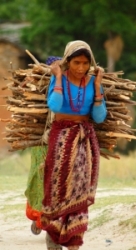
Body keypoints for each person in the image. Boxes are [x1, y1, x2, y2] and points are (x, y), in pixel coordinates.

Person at [41, 40, 107, 250]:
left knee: (79, 187)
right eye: (76, 62)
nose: (81, 68)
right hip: (60, 137)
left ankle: (74, 242)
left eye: (85, 63)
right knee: (57, 187)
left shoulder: (94, 82)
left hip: (84, 140)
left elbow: (98, 117)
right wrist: (59, 77)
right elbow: (54, 105)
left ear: (90, 63)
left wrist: (97, 88)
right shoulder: (58, 78)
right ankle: (53, 235)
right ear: (67, 61)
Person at [25, 56, 62, 235]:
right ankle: (39, 217)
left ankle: (49, 221)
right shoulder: (40, 87)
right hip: (42, 143)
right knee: (40, 178)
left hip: (63, 140)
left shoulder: (68, 86)